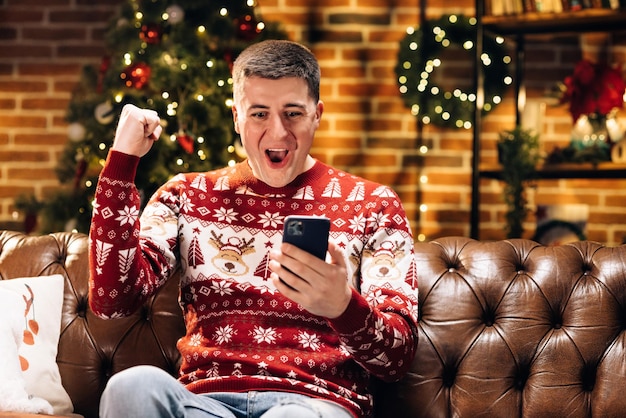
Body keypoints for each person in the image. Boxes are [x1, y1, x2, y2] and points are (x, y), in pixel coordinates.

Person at [88, 39, 418, 418]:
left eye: (293, 113)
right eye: (259, 114)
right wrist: (122, 161)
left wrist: (342, 306)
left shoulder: (373, 204)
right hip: (204, 403)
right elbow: (111, 302)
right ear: (236, 117)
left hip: (313, 404)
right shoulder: (186, 194)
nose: (277, 133)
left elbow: (397, 361)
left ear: (317, 115)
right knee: (130, 387)